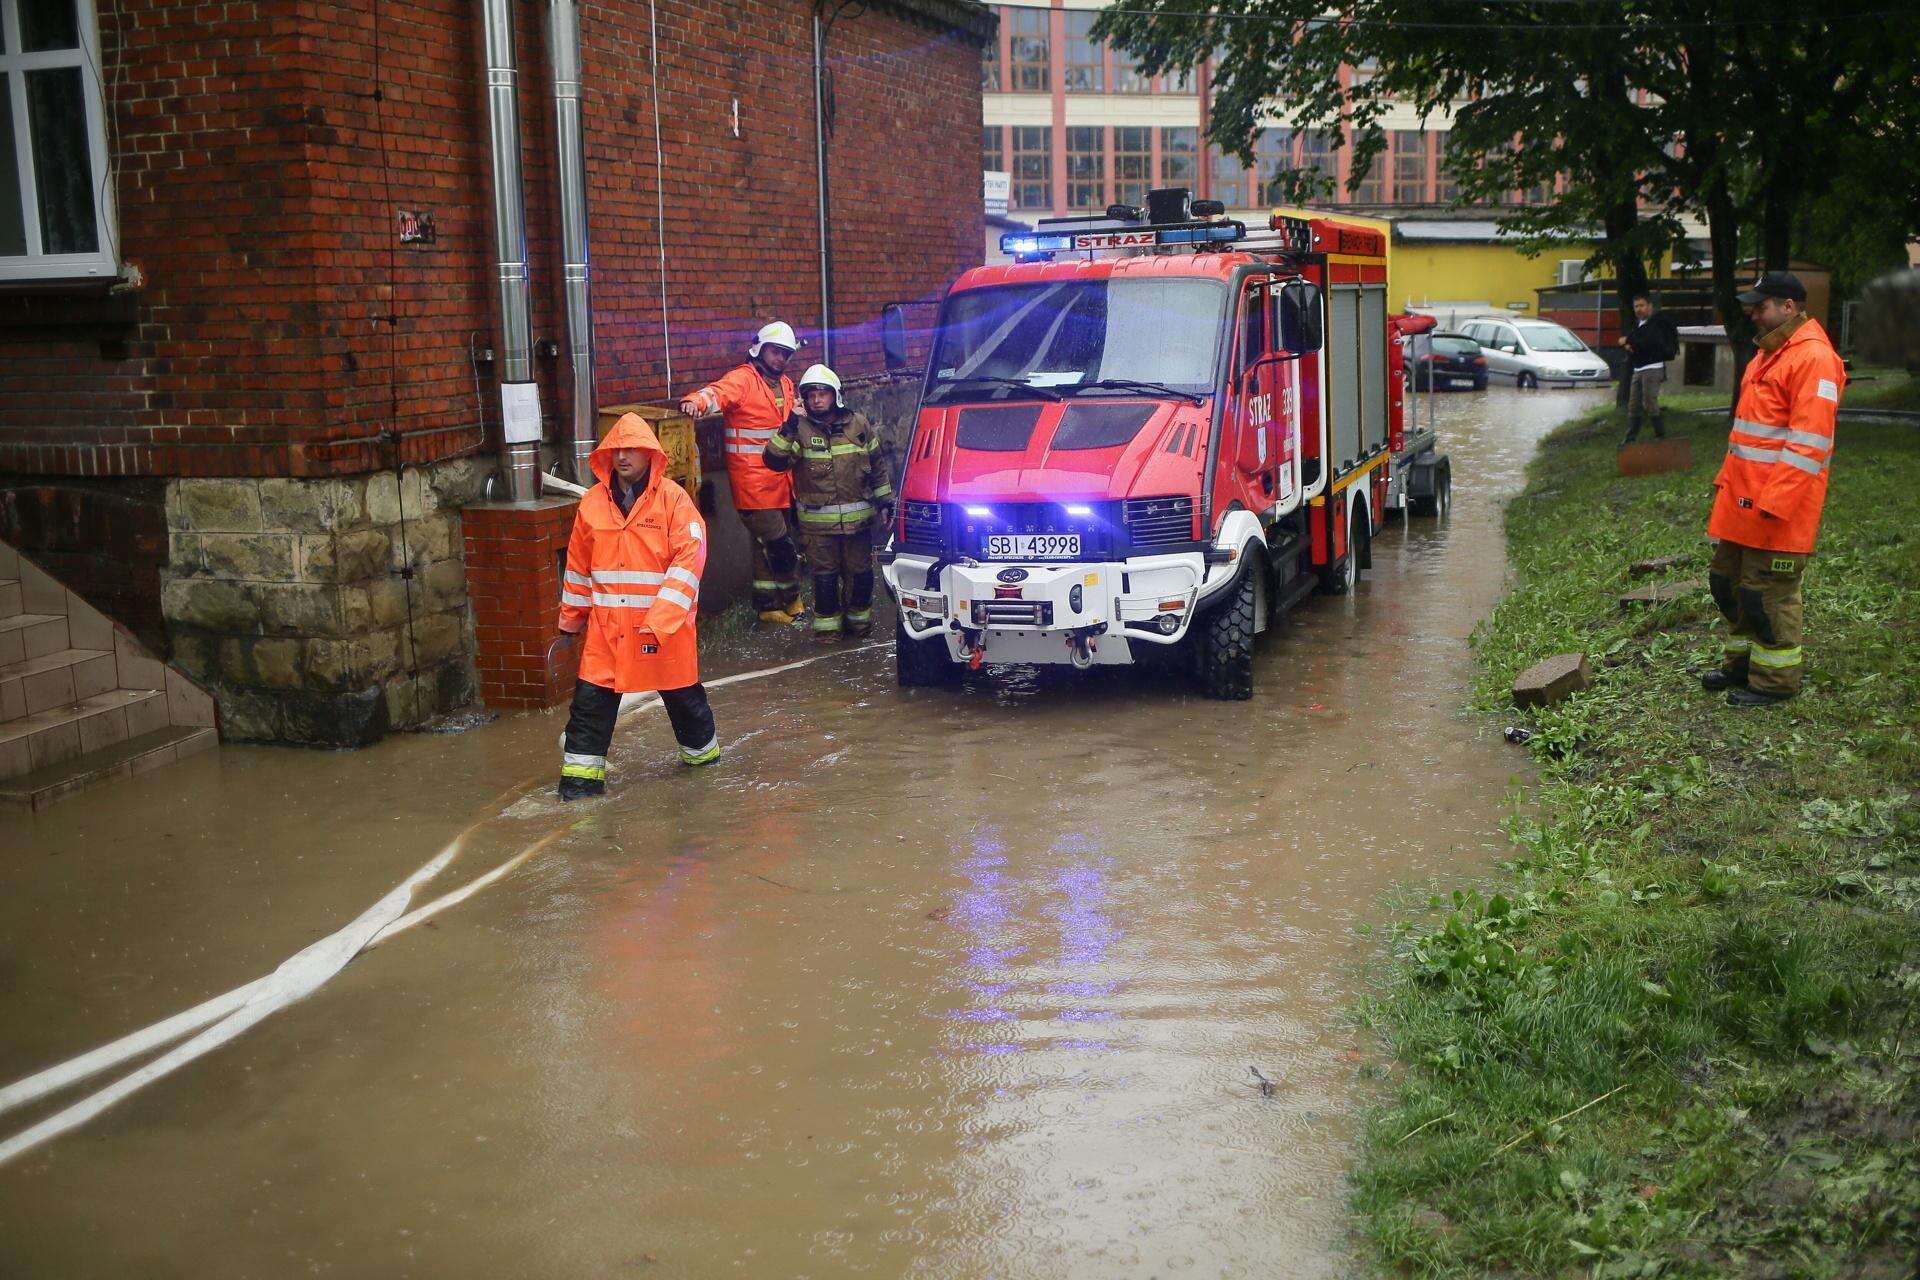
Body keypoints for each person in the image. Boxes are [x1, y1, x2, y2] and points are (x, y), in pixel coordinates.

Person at [556, 413, 719, 800]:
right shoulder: (592, 504)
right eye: (616, 450)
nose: (623, 456)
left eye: (631, 449)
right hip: (607, 635)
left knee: (687, 707)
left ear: (651, 455)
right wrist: (570, 623)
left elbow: (689, 561)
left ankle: (707, 779)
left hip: (663, 634)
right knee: (589, 712)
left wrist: (660, 621)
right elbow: (578, 569)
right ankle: (578, 795)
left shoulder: (674, 501)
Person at [1702, 271, 1843, 707]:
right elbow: (1751, 437)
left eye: (1760, 306)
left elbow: (1809, 444)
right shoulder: (1770, 353)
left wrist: (1774, 503)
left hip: (1777, 509)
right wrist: (1728, 487)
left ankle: (1774, 683)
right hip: (1742, 503)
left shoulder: (1813, 358)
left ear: (1789, 306)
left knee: (1767, 596)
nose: (1752, 312)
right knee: (1728, 584)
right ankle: (1741, 666)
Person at [679, 322, 806, 626]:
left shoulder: (786, 384)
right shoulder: (743, 379)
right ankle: (794, 603)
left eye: (785, 354)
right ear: (759, 349)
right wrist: (695, 402)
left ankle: (767, 607)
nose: (780, 359)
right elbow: (716, 394)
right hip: (753, 484)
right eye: (776, 352)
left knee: (764, 548)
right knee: (779, 546)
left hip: (781, 480)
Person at [762, 364, 894, 639]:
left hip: (858, 528)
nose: (816, 400)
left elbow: (877, 465)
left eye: (822, 394)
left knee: (861, 578)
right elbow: (773, 461)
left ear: (835, 395)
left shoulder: (859, 426)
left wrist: (885, 502)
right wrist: (788, 426)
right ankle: (828, 636)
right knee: (824, 582)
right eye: (810, 395)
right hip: (818, 532)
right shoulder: (799, 429)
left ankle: (860, 631)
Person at [1618, 292, 1680, 446]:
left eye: (1642, 306)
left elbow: (1649, 342)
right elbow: (1638, 345)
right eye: (1636, 306)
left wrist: (1628, 340)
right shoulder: (1638, 325)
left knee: (1649, 401)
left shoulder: (1656, 323)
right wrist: (1629, 346)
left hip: (1653, 368)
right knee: (1633, 404)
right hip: (1638, 368)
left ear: (1650, 306)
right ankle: (1630, 438)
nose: (1639, 309)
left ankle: (1660, 435)